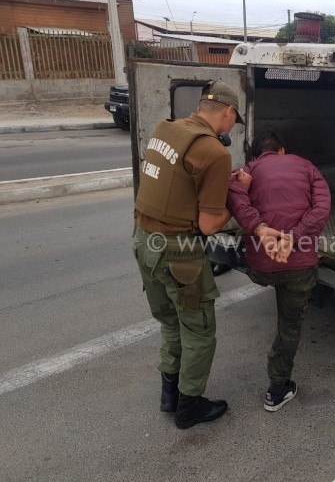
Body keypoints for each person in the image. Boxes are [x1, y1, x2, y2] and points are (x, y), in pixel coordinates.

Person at [132, 81, 244, 429]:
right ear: (227, 112)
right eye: (233, 121)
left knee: (170, 323)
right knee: (199, 331)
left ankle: (170, 396)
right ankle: (189, 407)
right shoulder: (214, 153)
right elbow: (209, 226)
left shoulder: (166, 129)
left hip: (143, 241)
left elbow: (177, 183)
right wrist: (237, 197)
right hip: (178, 253)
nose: (232, 129)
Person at [227, 131, 331, 412]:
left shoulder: (245, 172)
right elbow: (322, 208)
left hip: (261, 267)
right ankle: (277, 390)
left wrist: (259, 229)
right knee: (290, 326)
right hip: (298, 267)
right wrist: (293, 237)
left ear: (258, 155)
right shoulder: (307, 166)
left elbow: (233, 197)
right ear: (283, 150)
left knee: (271, 277)